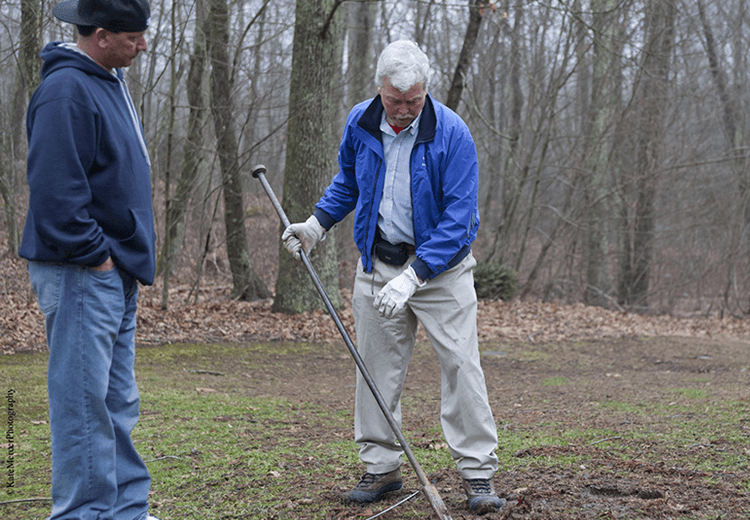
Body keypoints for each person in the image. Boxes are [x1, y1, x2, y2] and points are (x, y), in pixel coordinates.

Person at [282, 40, 504, 514]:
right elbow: (349, 181)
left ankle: (478, 473)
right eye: (393, 100)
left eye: (413, 100)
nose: (402, 111)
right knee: (375, 371)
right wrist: (316, 225)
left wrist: (416, 276)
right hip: (378, 265)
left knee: (462, 367)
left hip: (441, 272)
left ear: (427, 91)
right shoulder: (361, 120)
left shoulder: (453, 134)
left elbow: (461, 217)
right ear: (379, 88)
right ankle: (381, 467)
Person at [18, 0, 159, 519]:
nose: (143, 44)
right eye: (133, 36)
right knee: (82, 409)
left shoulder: (107, 80)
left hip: (114, 274)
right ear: (101, 34)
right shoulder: (65, 91)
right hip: (82, 273)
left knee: (116, 404)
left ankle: (126, 511)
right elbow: (56, 195)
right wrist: (96, 258)